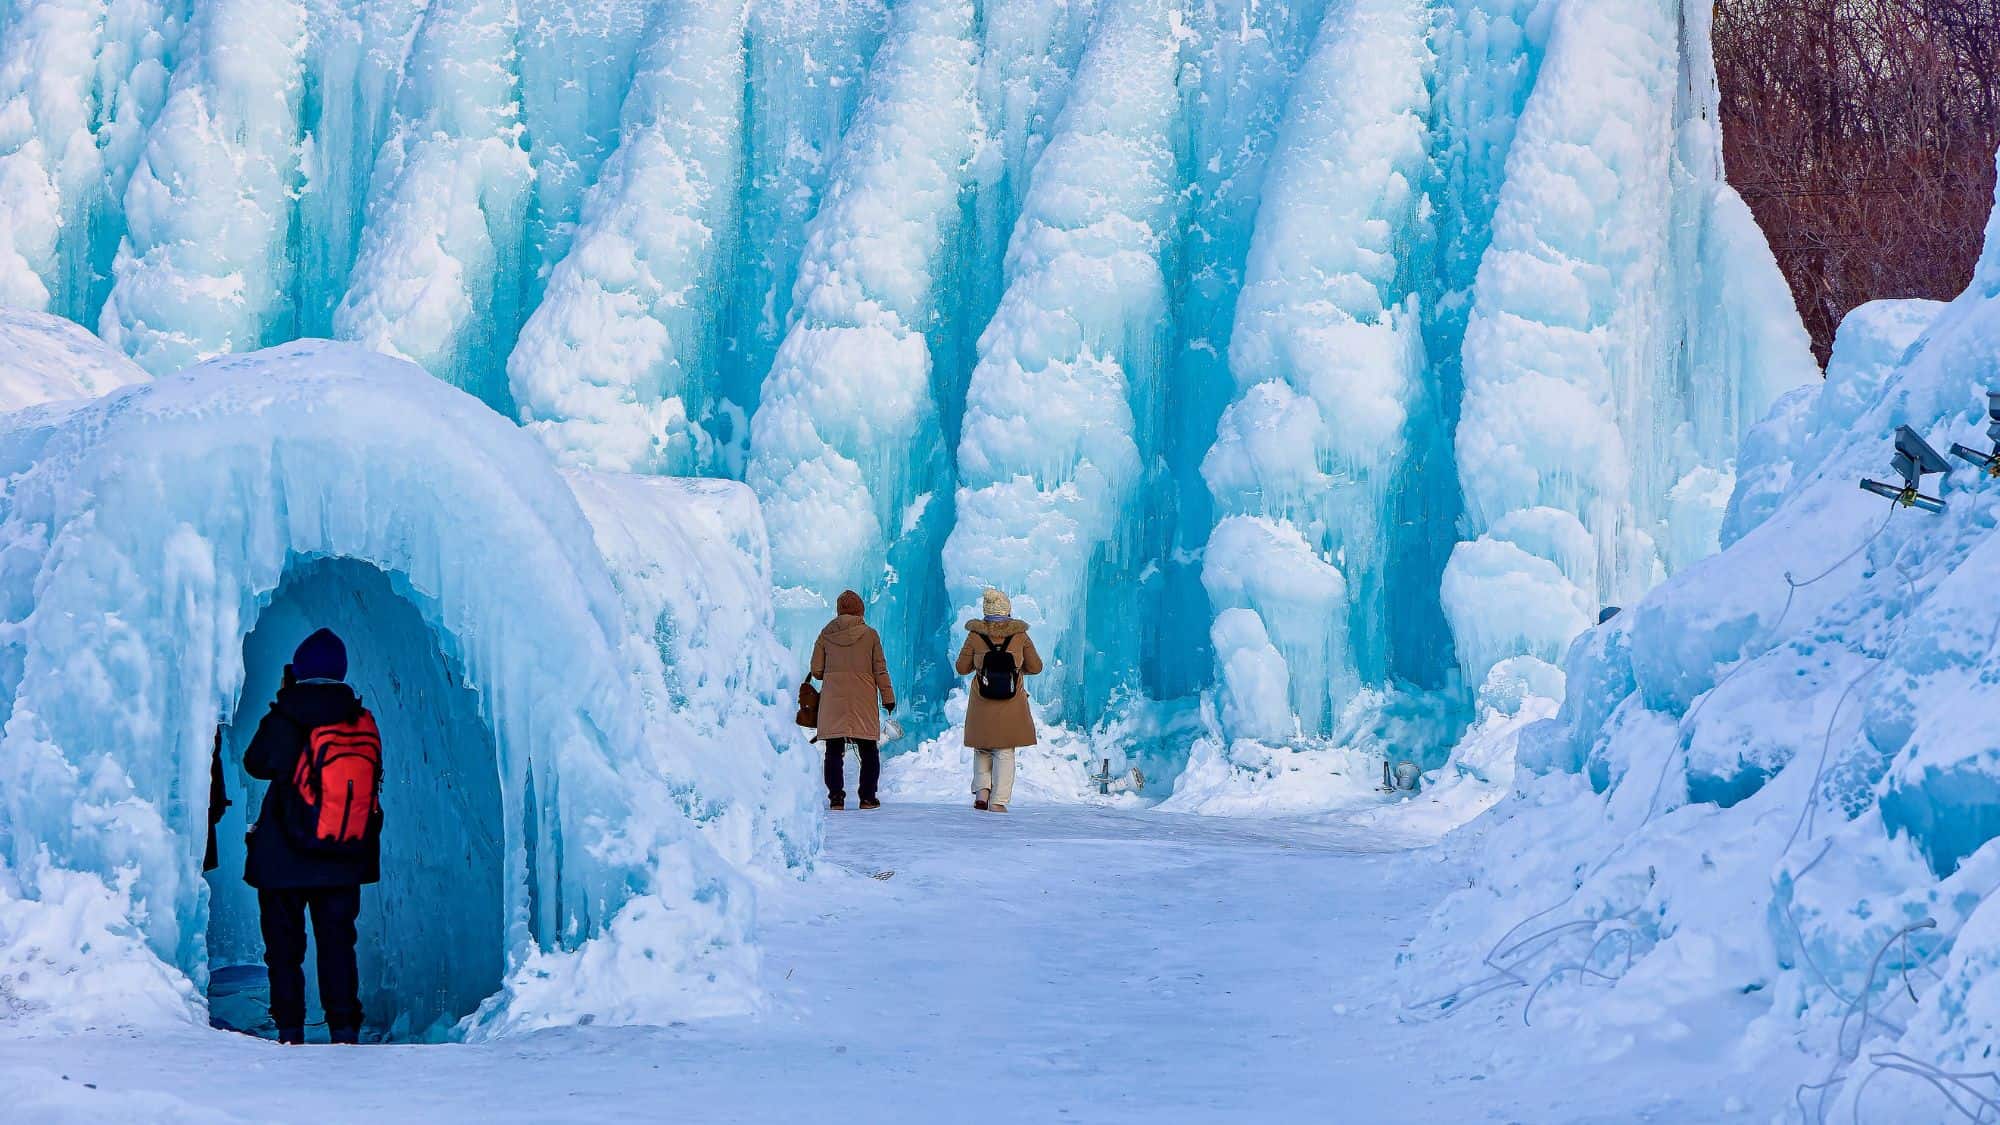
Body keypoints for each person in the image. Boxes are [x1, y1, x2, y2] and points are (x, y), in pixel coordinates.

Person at [243, 628, 382, 1045]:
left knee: (285, 949)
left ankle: (290, 1030)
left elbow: (257, 764)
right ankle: (344, 1028)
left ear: (298, 670)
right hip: (343, 856)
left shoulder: (285, 716)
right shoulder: (358, 718)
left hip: (283, 856)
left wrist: (284, 710)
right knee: (338, 944)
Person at [955, 589, 1042, 813]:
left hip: (982, 702)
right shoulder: (1020, 636)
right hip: (1011, 702)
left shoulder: (975, 636)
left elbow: (961, 668)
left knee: (982, 747)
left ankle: (982, 793)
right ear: (1008, 611)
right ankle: (998, 801)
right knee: (1004, 751)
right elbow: (1036, 667)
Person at [810, 590, 896, 811]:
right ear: (860, 610)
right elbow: (880, 670)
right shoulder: (870, 635)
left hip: (834, 700)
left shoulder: (825, 634)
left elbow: (816, 670)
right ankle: (867, 797)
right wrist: (888, 698)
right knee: (868, 749)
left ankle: (836, 798)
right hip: (863, 700)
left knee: (833, 750)